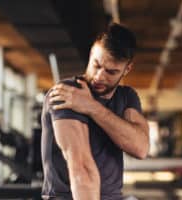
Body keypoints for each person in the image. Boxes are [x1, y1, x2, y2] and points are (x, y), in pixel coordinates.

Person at [41, 23, 150, 200]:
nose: (99, 76)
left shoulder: (126, 96)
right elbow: (81, 169)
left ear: (127, 69)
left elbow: (141, 148)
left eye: (111, 71)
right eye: (96, 65)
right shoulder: (67, 93)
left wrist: (91, 107)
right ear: (91, 53)